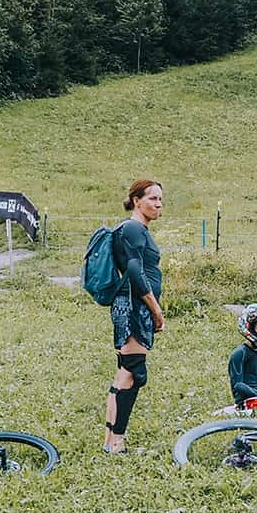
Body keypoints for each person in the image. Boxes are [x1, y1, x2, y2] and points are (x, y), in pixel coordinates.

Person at [103, 179, 166, 453]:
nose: (158, 204)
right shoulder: (132, 228)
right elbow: (134, 270)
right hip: (134, 306)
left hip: (129, 304)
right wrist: (155, 309)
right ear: (136, 200)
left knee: (124, 373)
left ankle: (111, 441)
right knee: (133, 372)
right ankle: (116, 442)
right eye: (152, 198)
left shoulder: (134, 229)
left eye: (161, 200)